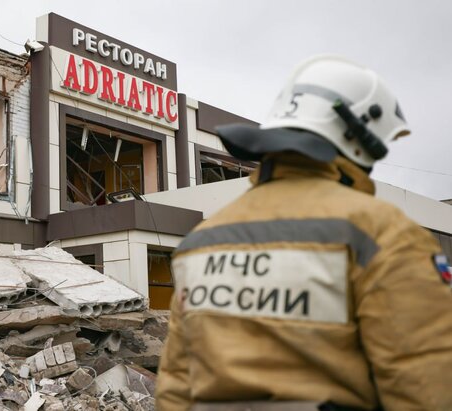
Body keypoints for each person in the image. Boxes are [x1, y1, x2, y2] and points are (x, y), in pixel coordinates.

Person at [155, 55, 452, 411]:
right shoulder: (381, 233)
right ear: (357, 141)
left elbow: (176, 386)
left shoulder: (201, 241)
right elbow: (426, 383)